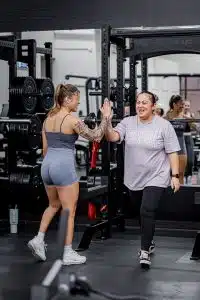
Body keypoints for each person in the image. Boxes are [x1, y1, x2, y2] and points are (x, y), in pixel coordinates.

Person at [27, 83, 111, 265]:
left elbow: (44, 150)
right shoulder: (72, 120)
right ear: (67, 99)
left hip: (47, 165)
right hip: (63, 166)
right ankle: (67, 253)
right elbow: (96, 136)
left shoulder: (48, 118)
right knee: (69, 211)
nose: (78, 103)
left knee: (53, 205)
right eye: (76, 100)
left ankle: (38, 239)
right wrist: (105, 117)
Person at [105, 91, 181, 268]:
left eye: (145, 102)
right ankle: (150, 239)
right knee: (141, 210)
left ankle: (144, 251)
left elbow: (172, 152)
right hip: (134, 178)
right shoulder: (128, 122)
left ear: (153, 105)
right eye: (138, 102)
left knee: (147, 209)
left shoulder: (163, 125)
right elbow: (112, 137)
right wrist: (107, 120)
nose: (140, 105)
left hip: (157, 175)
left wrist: (175, 176)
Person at [165, 95, 191, 184]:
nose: (182, 106)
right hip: (169, 149)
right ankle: (169, 196)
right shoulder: (167, 117)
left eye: (183, 105)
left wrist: (190, 120)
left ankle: (181, 196)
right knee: (170, 175)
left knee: (180, 174)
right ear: (174, 104)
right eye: (181, 104)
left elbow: (193, 128)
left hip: (181, 148)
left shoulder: (184, 117)